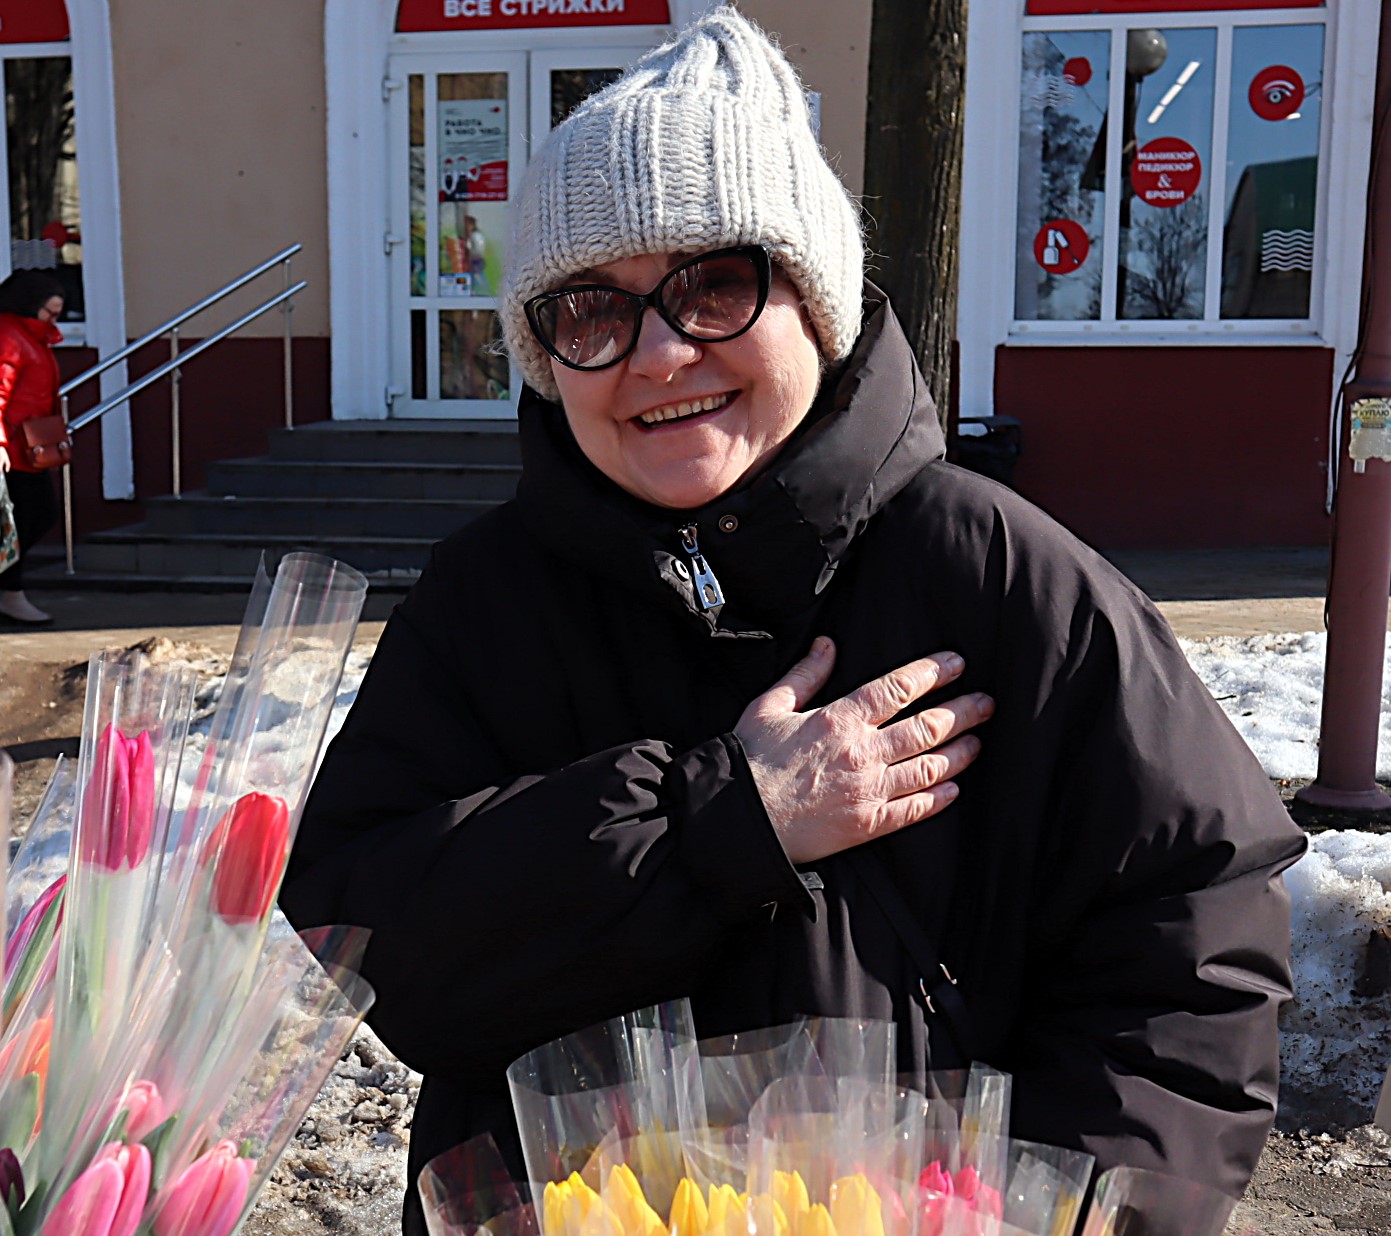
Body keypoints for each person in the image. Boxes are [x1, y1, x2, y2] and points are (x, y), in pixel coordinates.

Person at [279, 12, 1303, 1235]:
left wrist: (1051, 1214)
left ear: (812, 299)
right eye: (590, 311)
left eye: (715, 284)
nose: (658, 352)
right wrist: (720, 826)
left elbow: (1191, 965)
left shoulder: (1010, 579)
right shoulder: (480, 603)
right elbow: (377, 943)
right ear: (545, 356)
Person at [0, 269, 68, 625]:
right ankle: (7, 590)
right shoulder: (7, 336)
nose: (55, 319)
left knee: (31, 516)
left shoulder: (30, 336)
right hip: (9, 448)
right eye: (50, 312)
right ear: (30, 305)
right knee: (29, 517)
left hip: (26, 445)